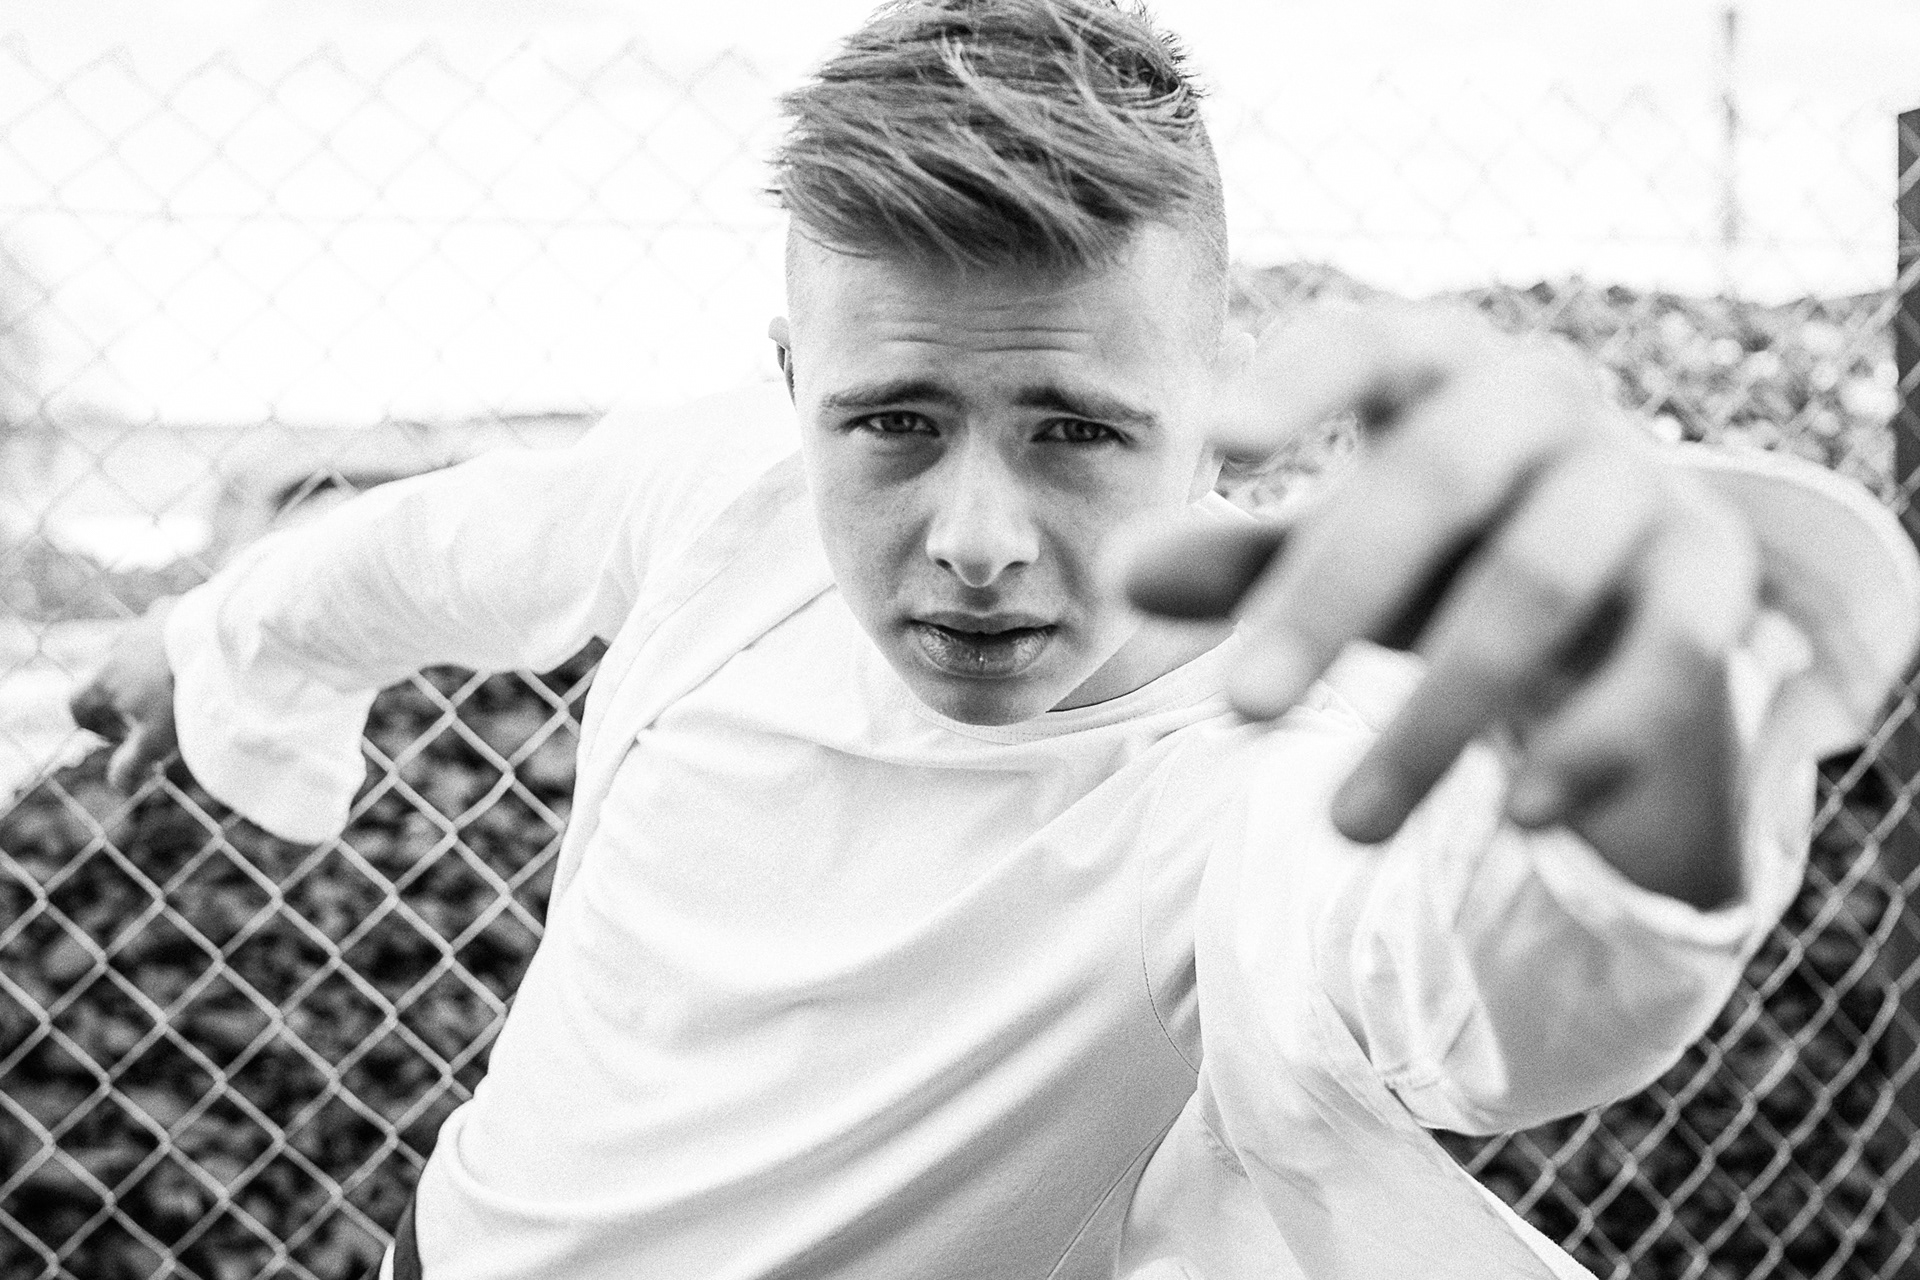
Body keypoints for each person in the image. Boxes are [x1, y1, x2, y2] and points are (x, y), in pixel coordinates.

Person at [67, 1, 1920, 1277]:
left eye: (1074, 430)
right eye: (892, 423)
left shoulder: (1277, 767)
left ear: (1214, 406)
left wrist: (1642, 769)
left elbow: (1473, 987)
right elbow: (429, 551)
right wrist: (206, 643)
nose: (973, 541)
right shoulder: (714, 493)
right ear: (793, 384)